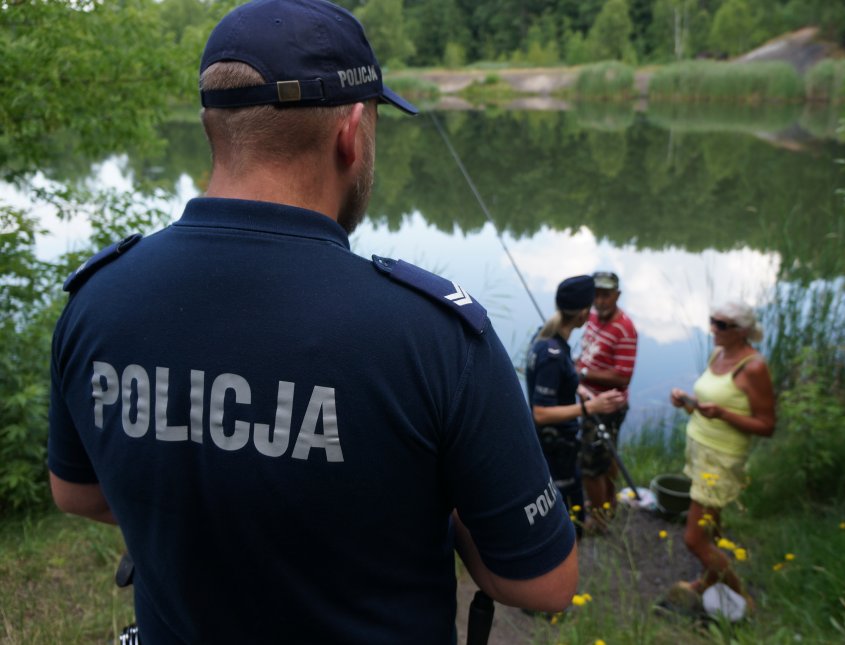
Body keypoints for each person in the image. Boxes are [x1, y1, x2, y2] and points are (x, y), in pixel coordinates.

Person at [46, 1, 577, 641]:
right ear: (351, 132)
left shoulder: (97, 299)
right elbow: (543, 583)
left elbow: (75, 492)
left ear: (213, 127)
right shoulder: (434, 336)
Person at [669, 301, 776, 611]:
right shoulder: (718, 354)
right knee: (709, 526)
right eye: (712, 321)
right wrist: (686, 402)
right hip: (700, 448)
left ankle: (741, 598)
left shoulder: (753, 367)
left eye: (722, 325)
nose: (713, 328)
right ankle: (707, 581)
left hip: (721, 458)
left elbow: (767, 425)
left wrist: (722, 414)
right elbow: (709, 402)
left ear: (742, 331)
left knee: (694, 539)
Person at [526, 275, 625, 536]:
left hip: (560, 446)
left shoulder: (543, 337)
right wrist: (592, 408)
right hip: (556, 446)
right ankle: (568, 552)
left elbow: (556, 382)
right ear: (583, 314)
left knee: (568, 499)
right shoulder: (553, 354)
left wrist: (576, 388)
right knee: (569, 514)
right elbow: (541, 413)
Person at [575, 271, 638, 522]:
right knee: (606, 456)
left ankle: (599, 521)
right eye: (596, 295)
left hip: (607, 407)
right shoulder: (592, 317)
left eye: (606, 295)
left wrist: (583, 371)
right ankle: (609, 504)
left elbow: (623, 377)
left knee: (590, 466)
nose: (600, 300)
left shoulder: (624, 328)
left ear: (617, 295)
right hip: (590, 400)